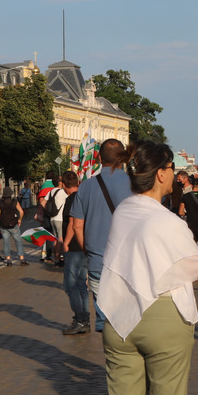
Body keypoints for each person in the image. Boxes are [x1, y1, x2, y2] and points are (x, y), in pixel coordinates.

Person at [100, 142, 198, 395]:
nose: (173, 174)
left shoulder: (122, 211)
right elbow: (196, 266)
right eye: (172, 168)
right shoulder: (169, 221)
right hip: (164, 317)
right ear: (161, 174)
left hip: (118, 316)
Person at [67, 139, 131, 333]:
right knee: (130, 316)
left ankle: (111, 358)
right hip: (130, 262)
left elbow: (77, 225)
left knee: (105, 319)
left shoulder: (85, 187)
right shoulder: (136, 184)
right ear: (123, 158)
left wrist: (87, 248)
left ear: (99, 158)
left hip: (98, 260)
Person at [58, 171, 89, 334]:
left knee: (70, 285)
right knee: (81, 283)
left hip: (75, 247)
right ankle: (85, 318)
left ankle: (80, 319)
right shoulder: (84, 197)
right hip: (84, 246)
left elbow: (72, 223)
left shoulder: (72, 199)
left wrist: (66, 243)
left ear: (63, 185)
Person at [0, 187, 28, 266]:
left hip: (3, 225)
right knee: (18, 241)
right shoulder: (15, 202)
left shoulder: (0, 203)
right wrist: (19, 219)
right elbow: (21, 212)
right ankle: (22, 259)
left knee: (6, 242)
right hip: (14, 224)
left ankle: (8, 260)